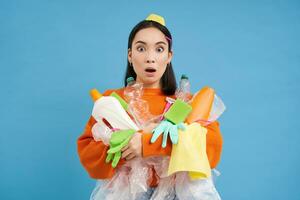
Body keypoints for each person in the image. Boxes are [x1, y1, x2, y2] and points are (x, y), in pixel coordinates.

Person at [77, 13, 223, 199]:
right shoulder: (111, 101)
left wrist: (146, 145)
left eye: (159, 49)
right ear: (130, 55)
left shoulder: (187, 102)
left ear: (169, 56)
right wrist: (124, 147)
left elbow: (211, 151)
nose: (150, 58)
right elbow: (88, 155)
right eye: (141, 48)